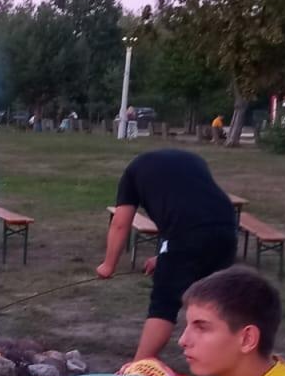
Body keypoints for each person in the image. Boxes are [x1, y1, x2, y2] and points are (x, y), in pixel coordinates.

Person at [95, 148, 238, 361]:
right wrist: (164, 259)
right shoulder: (194, 159)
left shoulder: (132, 173)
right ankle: (226, 358)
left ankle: (138, 369)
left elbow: (120, 223)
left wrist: (108, 265)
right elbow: (189, 203)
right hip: (227, 227)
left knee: (165, 302)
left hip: (186, 232)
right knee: (214, 298)